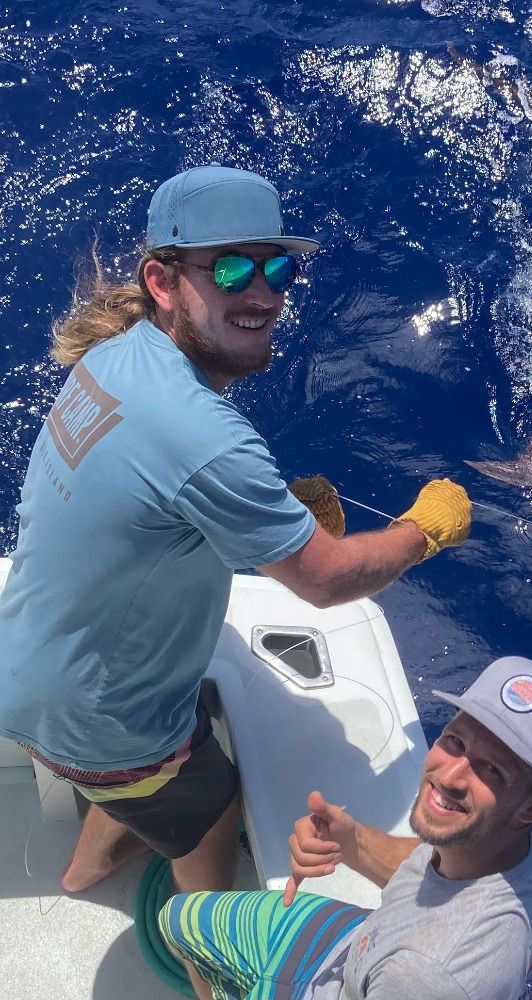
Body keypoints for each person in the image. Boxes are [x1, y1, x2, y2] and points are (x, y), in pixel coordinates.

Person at [0, 164, 471, 917]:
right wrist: (426, 530)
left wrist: (256, 515)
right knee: (210, 805)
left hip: (32, 668)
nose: (262, 295)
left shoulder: (110, 357)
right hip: (103, 724)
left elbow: (142, 500)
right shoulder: (206, 440)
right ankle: (209, 956)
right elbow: (327, 581)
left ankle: (84, 871)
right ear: (162, 280)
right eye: (229, 268)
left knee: (141, 782)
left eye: (276, 268)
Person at [159, 655, 532, 1000]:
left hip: (361, 975)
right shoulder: (528, 838)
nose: (451, 775)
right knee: (177, 919)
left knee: (181, 927)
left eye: (491, 771)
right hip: (354, 946)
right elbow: (442, 872)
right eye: (455, 741)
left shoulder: (425, 976)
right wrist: (350, 842)